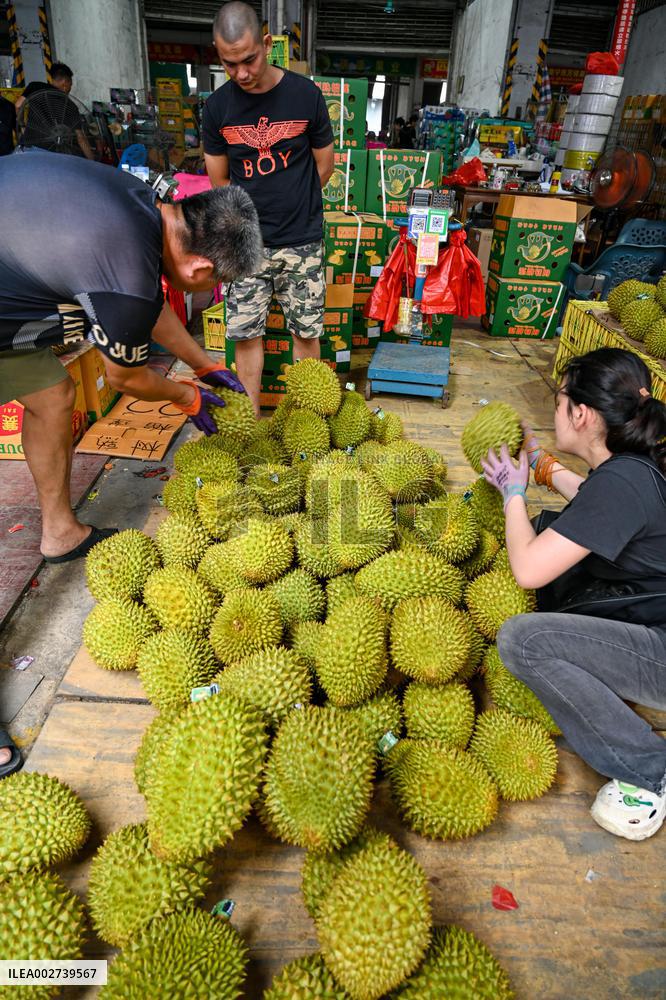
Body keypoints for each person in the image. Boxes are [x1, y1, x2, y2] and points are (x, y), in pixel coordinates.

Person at [0, 149, 262, 563]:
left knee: (51, 397)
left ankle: (60, 532)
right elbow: (125, 378)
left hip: (13, 262)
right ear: (199, 270)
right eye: (220, 282)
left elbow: (148, 305)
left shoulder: (144, 202)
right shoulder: (126, 272)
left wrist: (204, 364)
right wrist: (185, 397)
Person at [482, 348, 666, 842]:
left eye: (558, 398)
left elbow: (528, 570)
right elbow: (602, 505)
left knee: (524, 640)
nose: (555, 407)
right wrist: (542, 467)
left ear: (581, 413)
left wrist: (514, 494)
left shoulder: (623, 482)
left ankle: (649, 770)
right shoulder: (639, 461)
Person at [203, 1, 334, 416]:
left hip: (302, 240)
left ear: (265, 44)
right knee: (245, 336)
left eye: (249, 60)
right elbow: (219, 180)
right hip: (244, 245)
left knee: (306, 335)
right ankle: (251, 422)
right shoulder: (217, 108)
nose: (241, 72)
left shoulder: (305, 95)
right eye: (229, 63)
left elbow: (324, 164)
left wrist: (294, 202)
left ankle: (304, 424)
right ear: (217, 53)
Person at [16, 62, 93, 160]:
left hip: (29, 148)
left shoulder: (35, 86)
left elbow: (18, 106)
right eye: (71, 85)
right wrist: (93, 161)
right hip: (53, 155)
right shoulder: (70, 105)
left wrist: (22, 126)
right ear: (65, 83)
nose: (70, 88)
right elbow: (80, 138)